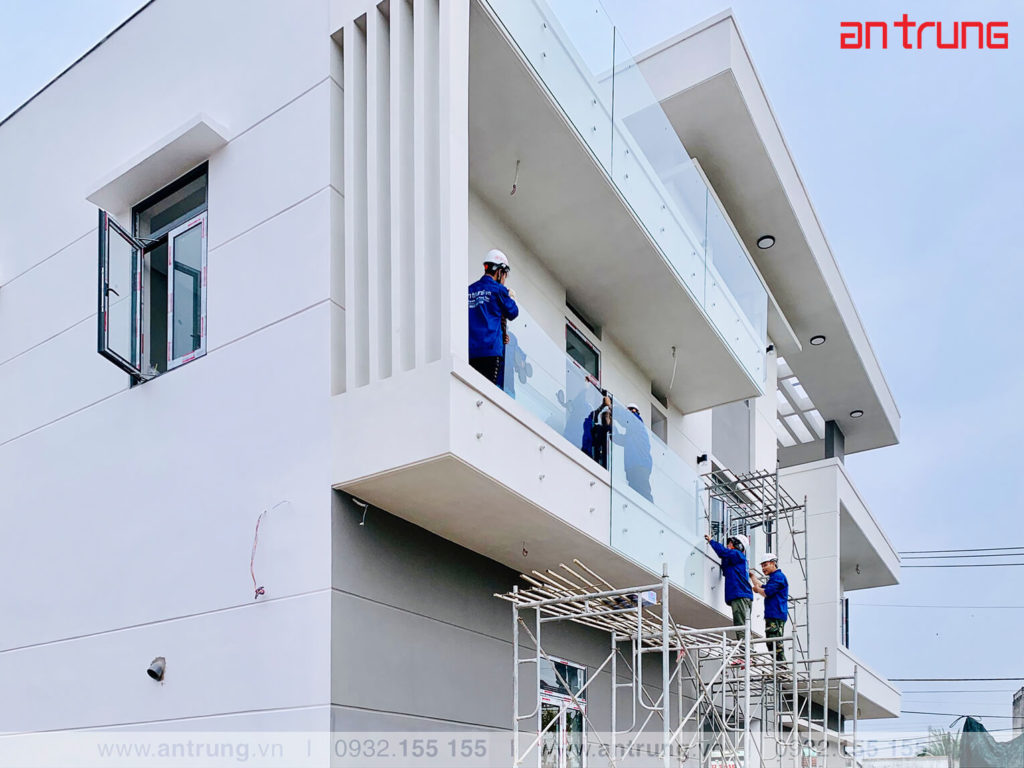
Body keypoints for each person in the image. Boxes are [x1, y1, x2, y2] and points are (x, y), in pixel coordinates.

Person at [468, 249, 519, 386]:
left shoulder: (469, 290)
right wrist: (510, 297)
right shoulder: (498, 290)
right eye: (505, 275)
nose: (504, 279)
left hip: (470, 351)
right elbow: (513, 312)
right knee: (487, 391)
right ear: (500, 271)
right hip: (490, 352)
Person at [705, 533, 754, 640]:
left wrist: (711, 541)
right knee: (744, 624)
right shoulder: (737, 560)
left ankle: (744, 648)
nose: (728, 545)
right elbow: (725, 568)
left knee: (740, 625)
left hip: (740, 595)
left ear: (738, 545)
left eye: (730, 543)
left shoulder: (737, 554)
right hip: (743, 595)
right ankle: (747, 647)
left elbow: (723, 552)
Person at [751, 553, 789, 662]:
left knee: (775, 643)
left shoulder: (778, 577)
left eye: (765, 565)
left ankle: (781, 665)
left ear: (773, 563)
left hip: (776, 614)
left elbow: (766, 592)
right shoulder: (774, 578)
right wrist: (752, 576)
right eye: (762, 566)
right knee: (771, 642)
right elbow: (762, 586)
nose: (763, 568)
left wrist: (757, 590)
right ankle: (779, 665)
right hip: (773, 614)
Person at [612, 402, 653, 502]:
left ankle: (648, 508)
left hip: (640, 465)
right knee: (635, 493)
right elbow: (619, 439)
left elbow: (627, 419)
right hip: (633, 466)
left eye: (630, 411)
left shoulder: (637, 422)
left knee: (643, 491)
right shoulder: (632, 434)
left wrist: (611, 407)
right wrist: (611, 428)